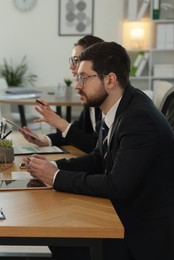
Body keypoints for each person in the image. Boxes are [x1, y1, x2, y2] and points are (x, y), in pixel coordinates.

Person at [24, 42, 174, 259]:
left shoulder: (139, 119)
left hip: (144, 234)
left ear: (110, 80)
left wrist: (55, 177)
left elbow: (116, 186)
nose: (77, 85)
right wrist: (50, 168)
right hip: (124, 213)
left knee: (64, 241)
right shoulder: (118, 107)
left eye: (83, 77)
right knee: (61, 233)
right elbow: (98, 158)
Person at [20, 35, 103, 153]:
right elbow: (78, 131)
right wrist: (45, 140)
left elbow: (96, 146)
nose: (70, 66)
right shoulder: (90, 97)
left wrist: (59, 123)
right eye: (71, 60)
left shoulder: (103, 98)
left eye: (76, 60)